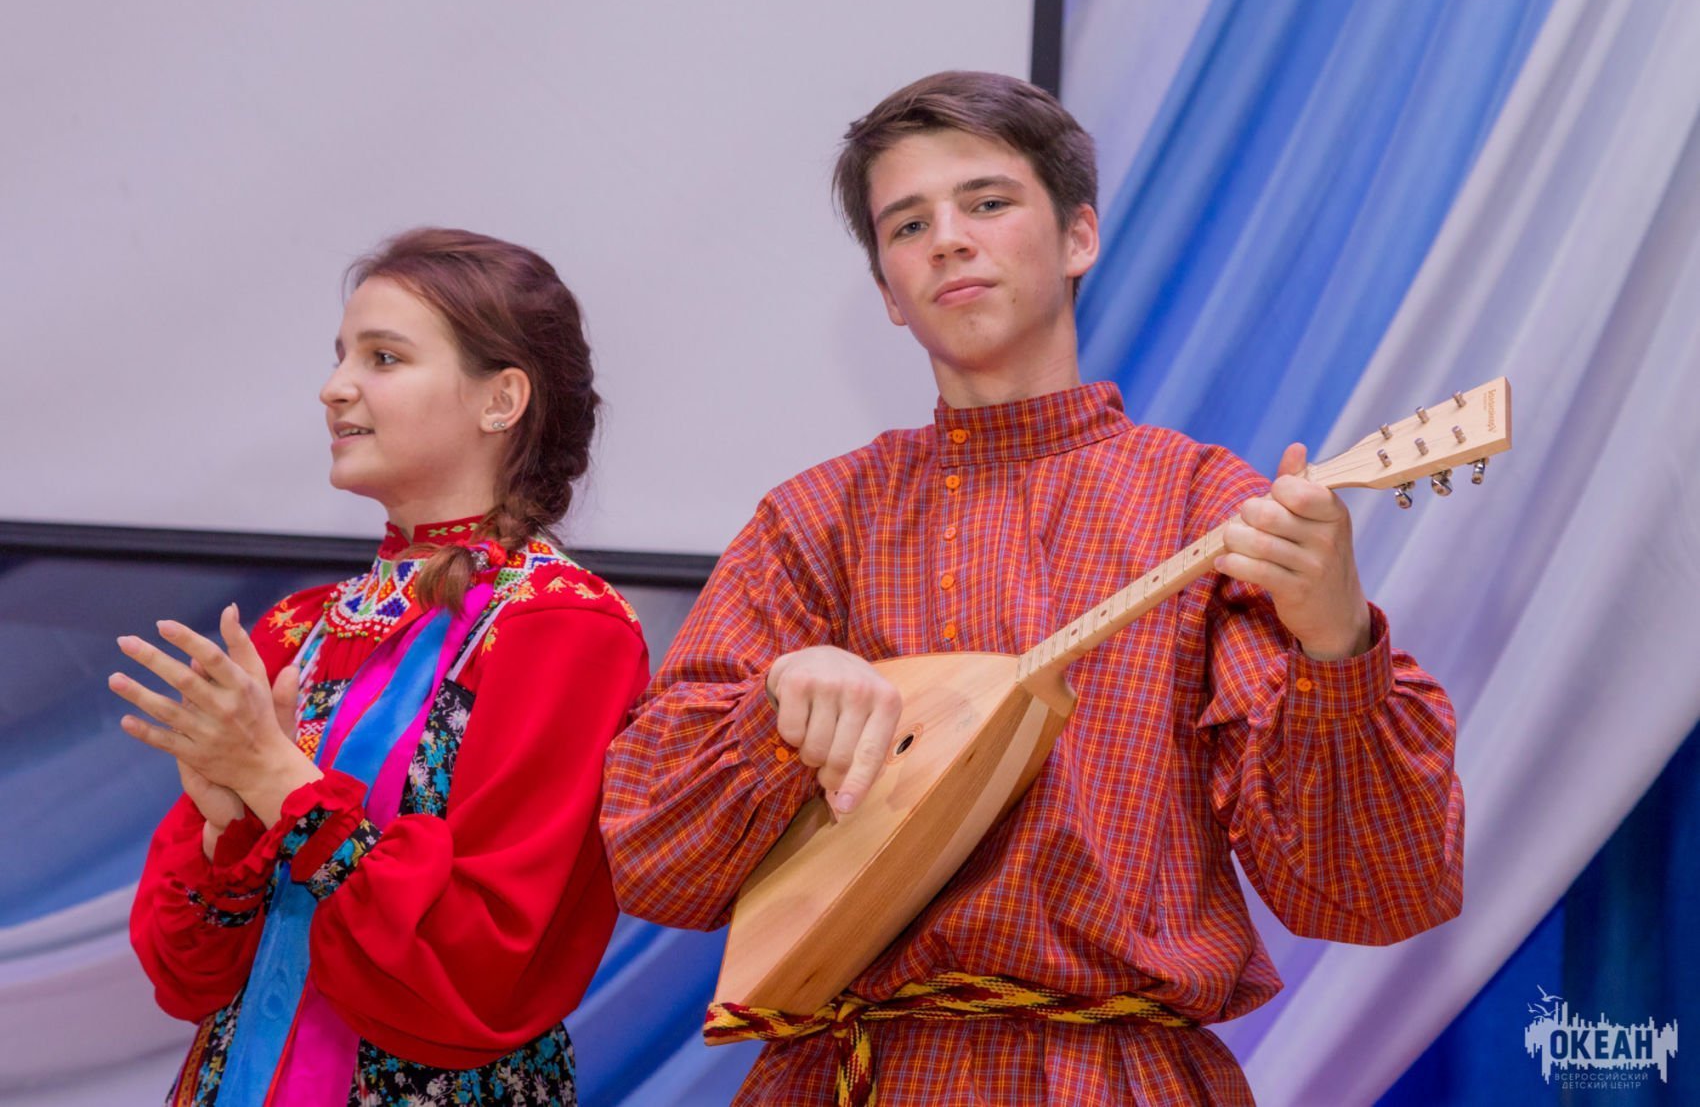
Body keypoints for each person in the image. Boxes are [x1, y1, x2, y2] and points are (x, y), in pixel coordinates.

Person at [600, 72, 1464, 1105]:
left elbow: (1373, 890)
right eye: (908, 224)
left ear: (1077, 237)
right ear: (888, 292)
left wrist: (1335, 641)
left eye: (987, 202)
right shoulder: (816, 519)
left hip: (1114, 1078)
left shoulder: (1203, 505)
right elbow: (650, 856)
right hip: (855, 1079)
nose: (948, 240)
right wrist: (776, 708)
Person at [116, 228, 648, 1106]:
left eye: (384, 357)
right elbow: (185, 974)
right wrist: (225, 827)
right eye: (340, 356)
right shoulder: (299, 628)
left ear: (502, 398)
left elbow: (483, 971)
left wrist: (277, 781)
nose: (334, 387)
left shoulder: (563, 629)